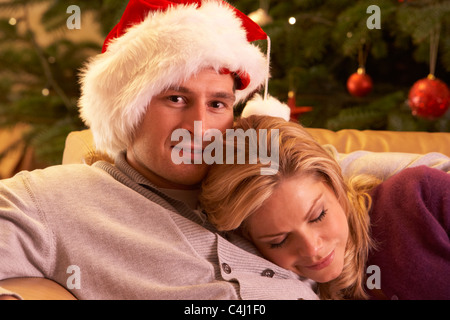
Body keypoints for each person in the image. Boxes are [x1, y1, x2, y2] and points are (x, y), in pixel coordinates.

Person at [0, 0, 321, 300]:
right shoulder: (53, 201)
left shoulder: (261, 177)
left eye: (217, 104)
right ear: (127, 109)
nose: (200, 126)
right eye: (176, 99)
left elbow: (345, 175)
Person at [200, 114, 450, 300]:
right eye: (279, 240)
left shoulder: (420, 197)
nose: (312, 249)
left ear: (333, 183)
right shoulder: (289, 287)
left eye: (318, 216)